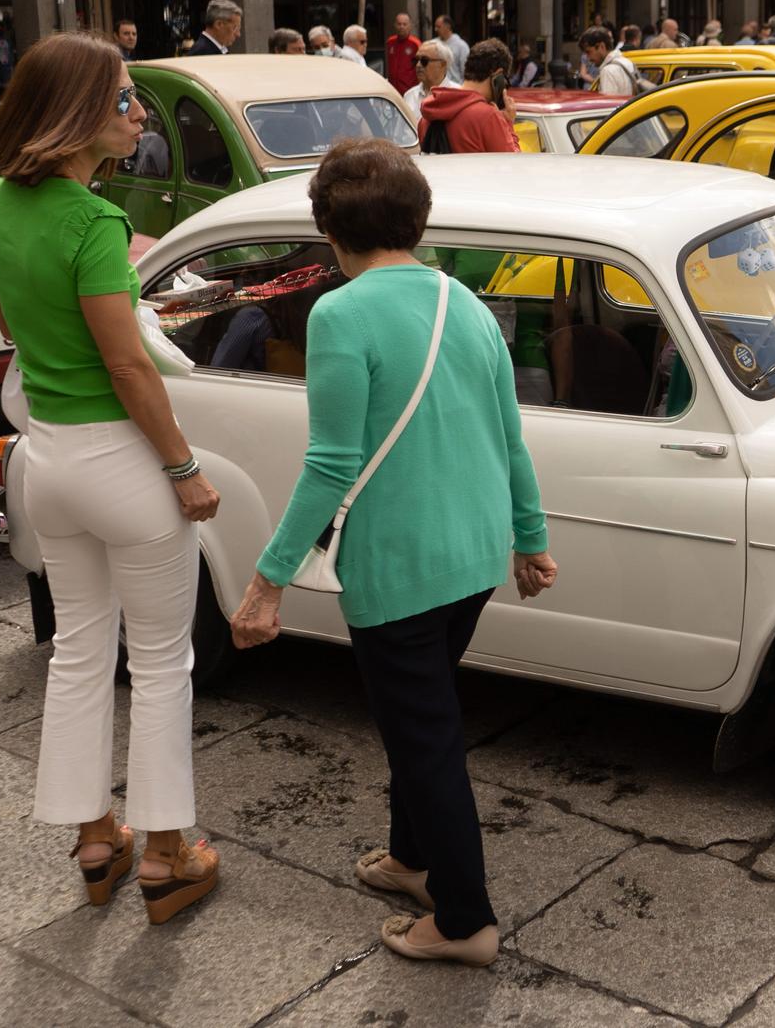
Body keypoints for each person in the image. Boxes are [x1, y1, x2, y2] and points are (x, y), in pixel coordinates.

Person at [229, 138, 556, 968]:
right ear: (416, 219)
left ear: (329, 229)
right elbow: (510, 435)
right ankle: (413, 861)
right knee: (425, 718)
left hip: (398, 566)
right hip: (473, 554)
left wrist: (267, 580)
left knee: (425, 738)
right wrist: (531, 539)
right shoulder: (466, 301)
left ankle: (466, 918)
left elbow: (332, 462)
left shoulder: (340, 312)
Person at [0, 32, 222, 923]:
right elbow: (129, 367)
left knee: (80, 652)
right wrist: (185, 467)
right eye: (123, 98)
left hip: (50, 457)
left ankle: (94, 836)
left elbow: (14, 320)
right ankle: (166, 854)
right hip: (121, 458)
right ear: (75, 113)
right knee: (161, 661)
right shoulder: (94, 220)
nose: (139, 113)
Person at [417, 40, 521, 153]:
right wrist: (508, 123)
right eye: (505, 81)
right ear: (498, 75)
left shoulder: (426, 118)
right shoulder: (488, 116)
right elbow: (512, 164)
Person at [580, 25, 640, 95]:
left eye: (589, 52)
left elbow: (608, 104)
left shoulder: (607, 71)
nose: (588, 58)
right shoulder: (627, 62)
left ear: (602, 46)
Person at [404, 42, 450, 124]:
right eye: (416, 60)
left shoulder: (458, 93)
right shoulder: (409, 96)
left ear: (442, 64)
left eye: (424, 61)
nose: (418, 65)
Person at [385, 13, 423, 94]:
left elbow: (422, 67)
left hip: (410, 89)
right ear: (395, 25)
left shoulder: (416, 44)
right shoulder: (390, 42)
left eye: (404, 24)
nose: (401, 27)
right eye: (399, 24)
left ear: (410, 26)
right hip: (393, 89)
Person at [432, 15, 468, 84]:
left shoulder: (461, 46)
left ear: (448, 27)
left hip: (456, 86)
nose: (435, 29)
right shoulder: (432, 44)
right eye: (435, 26)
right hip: (437, 86)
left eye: (438, 27)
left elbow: (465, 71)